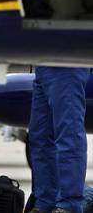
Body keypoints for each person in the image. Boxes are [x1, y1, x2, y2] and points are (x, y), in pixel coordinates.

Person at [28, 66, 89, 213]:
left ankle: (69, 205)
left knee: (69, 135)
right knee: (39, 138)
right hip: (43, 64)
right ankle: (45, 203)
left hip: (66, 62)